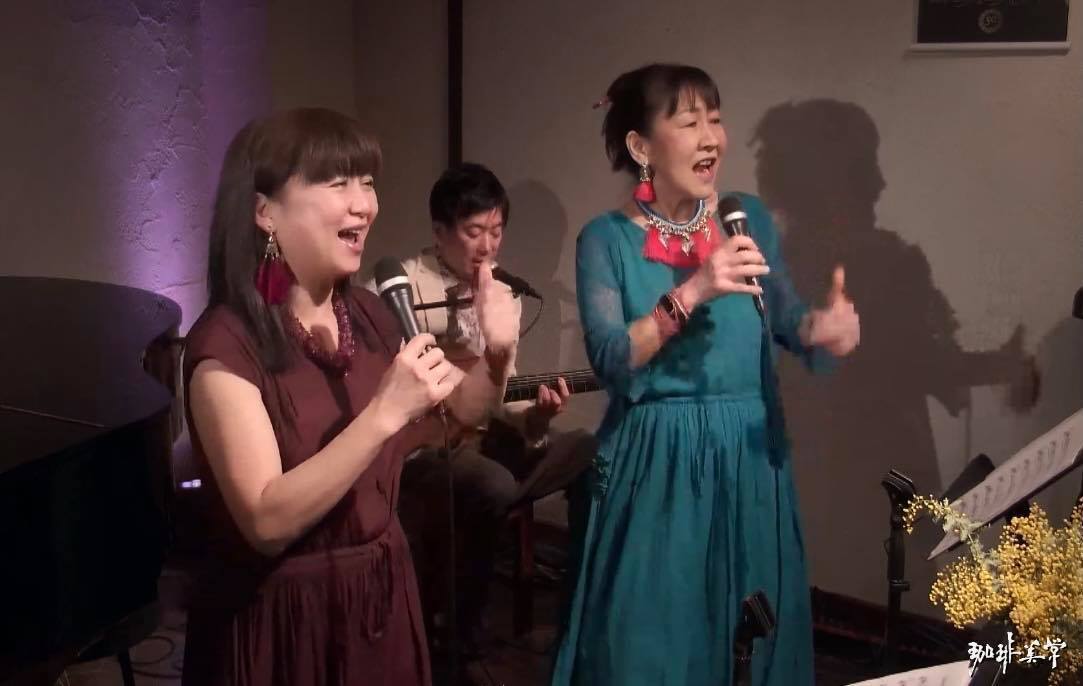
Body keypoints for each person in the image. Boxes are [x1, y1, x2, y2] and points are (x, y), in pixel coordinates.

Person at [180, 108, 518, 686]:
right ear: (265, 212)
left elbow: (458, 412)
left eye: (367, 182)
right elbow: (265, 519)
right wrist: (384, 412)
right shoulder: (226, 344)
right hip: (285, 620)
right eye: (338, 183)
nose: (365, 204)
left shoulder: (367, 312)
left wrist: (498, 355)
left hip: (380, 595)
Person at [551, 64, 860, 685]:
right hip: (657, 463)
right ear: (641, 146)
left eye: (715, 120)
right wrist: (693, 290)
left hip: (751, 457)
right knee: (651, 643)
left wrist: (818, 329)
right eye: (690, 122)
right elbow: (611, 358)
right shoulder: (605, 240)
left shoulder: (747, 219)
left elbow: (783, 318)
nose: (711, 138)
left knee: (749, 631)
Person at [368, 162, 596, 660]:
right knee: (490, 483)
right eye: (474, 232)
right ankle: (456, 635)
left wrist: (536, 418)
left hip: (486, 436)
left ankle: (580, 618)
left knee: (589, 450)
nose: (488, 245)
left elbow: (502, 391)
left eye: (496, 231)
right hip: (423, 448)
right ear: (439, 230)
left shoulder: (505, 292)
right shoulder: (401, 287)